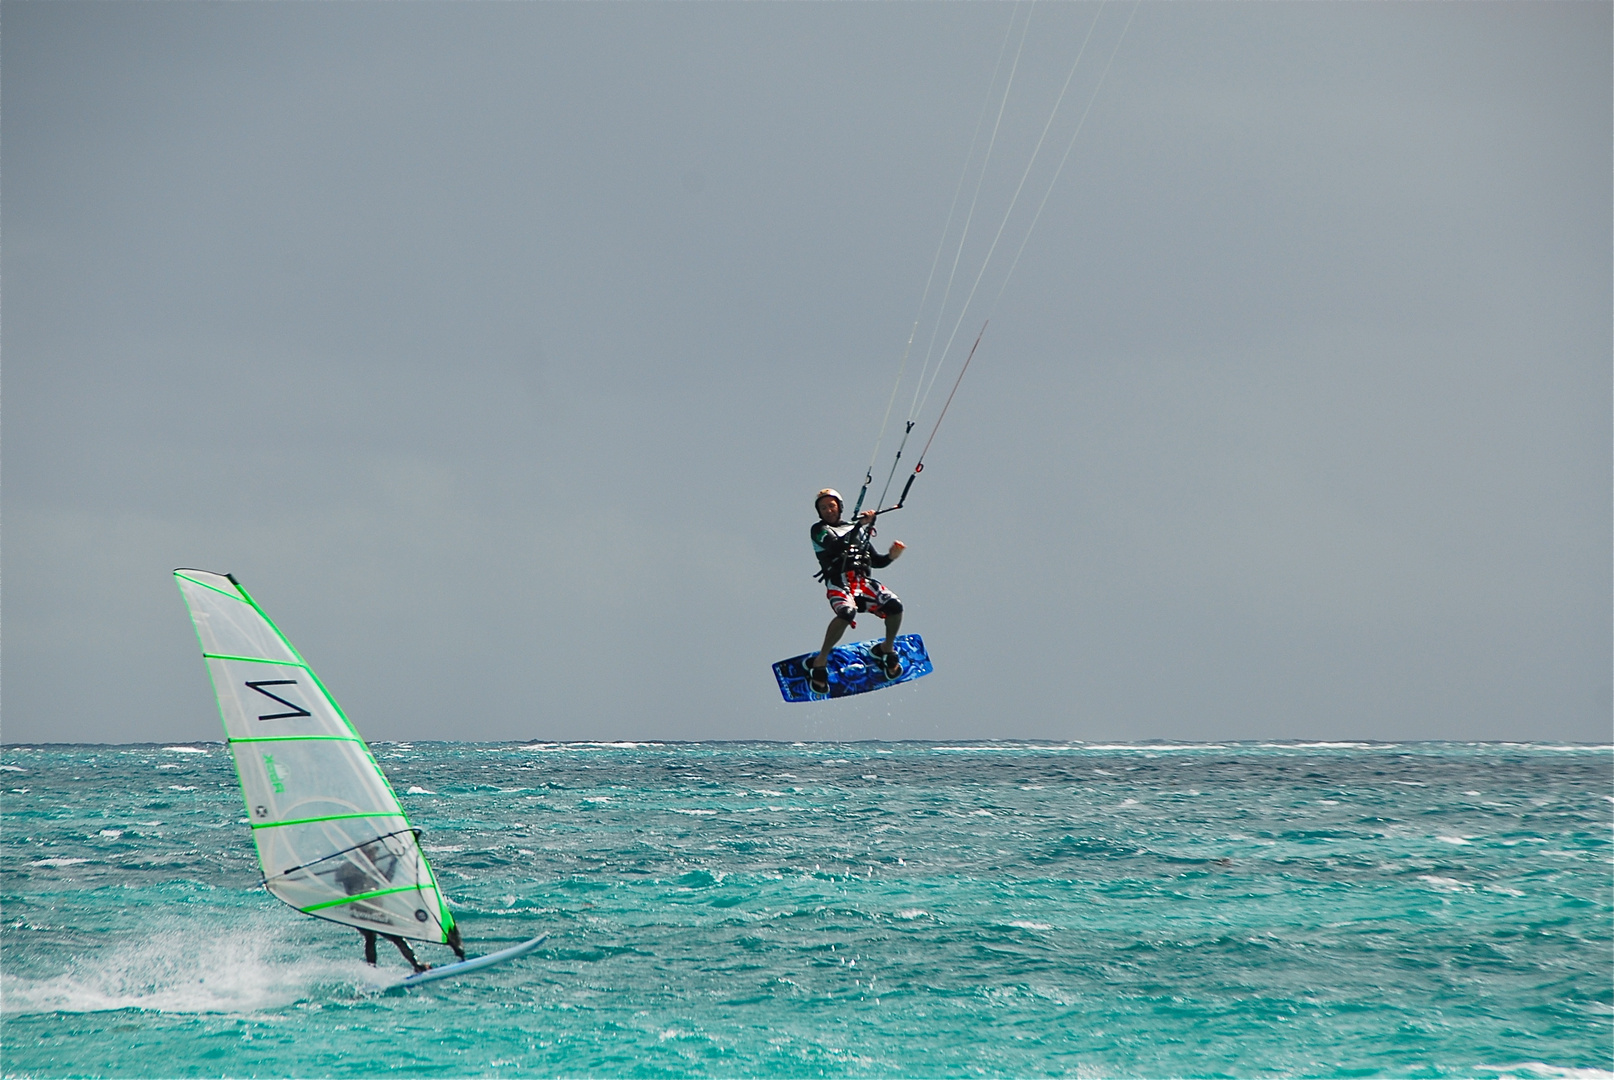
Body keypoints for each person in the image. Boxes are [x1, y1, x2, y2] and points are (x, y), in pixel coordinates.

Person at [807, 488, 907, 694]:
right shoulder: (818, 530)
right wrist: (860, 525)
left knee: (895, 606)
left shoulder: (856, 529)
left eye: (831, 506)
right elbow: (835, 548)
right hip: (839, 582)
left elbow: (876, 561)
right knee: (846, 613)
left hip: (863, 582)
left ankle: (886, 648)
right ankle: (820, 660)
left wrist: (891, 556)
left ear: (840, 507)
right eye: (823, 508)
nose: (828, 510)